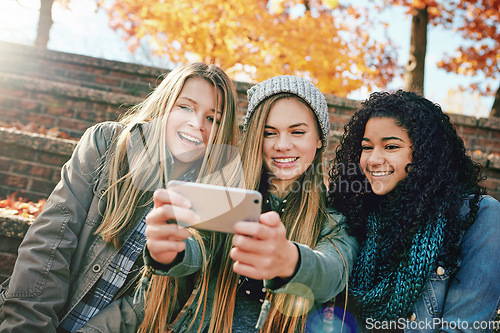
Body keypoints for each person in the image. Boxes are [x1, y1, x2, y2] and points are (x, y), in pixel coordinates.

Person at [0, 62, 240, 332]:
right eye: (185, 107)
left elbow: (151, 302)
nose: (196, 124)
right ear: (164, 105)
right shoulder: (107, 144)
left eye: (213, 119)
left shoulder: (212, 199)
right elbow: (49, 241)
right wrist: (29, 326)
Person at [136, 75, 358, 333]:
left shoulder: (335, 220)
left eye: (297, 132)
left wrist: (290, 261)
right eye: (269, 133)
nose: (283, 145)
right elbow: (201, 245)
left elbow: (331, 274)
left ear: (320, 139)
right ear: (255, 138)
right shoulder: (225, 194)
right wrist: (170, 252)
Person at [328, 90, 500, 332]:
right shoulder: (359, 214)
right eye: (367, 147)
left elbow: (463, 327)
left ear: (425, 153)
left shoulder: (478, 216)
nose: (373, 159)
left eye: (390, 146)